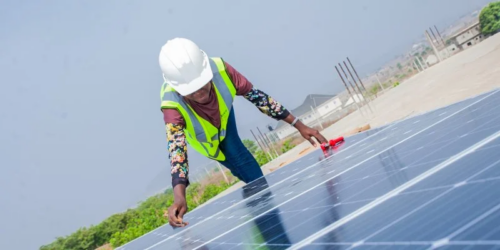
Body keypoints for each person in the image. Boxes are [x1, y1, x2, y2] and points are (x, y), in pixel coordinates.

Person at [158, 38, 328, 227]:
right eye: (191, 91)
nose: (199, 92)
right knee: (249, 175)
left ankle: (267, 222)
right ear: (178, 89)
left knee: (251, 170)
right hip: (207, 140)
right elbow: (177, 150)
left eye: (202, 84)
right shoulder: (171, 105)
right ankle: (262, 219)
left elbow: (258, 98)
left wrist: (299, 125)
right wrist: (179, 196)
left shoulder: (221, 69)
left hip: (225, 120)